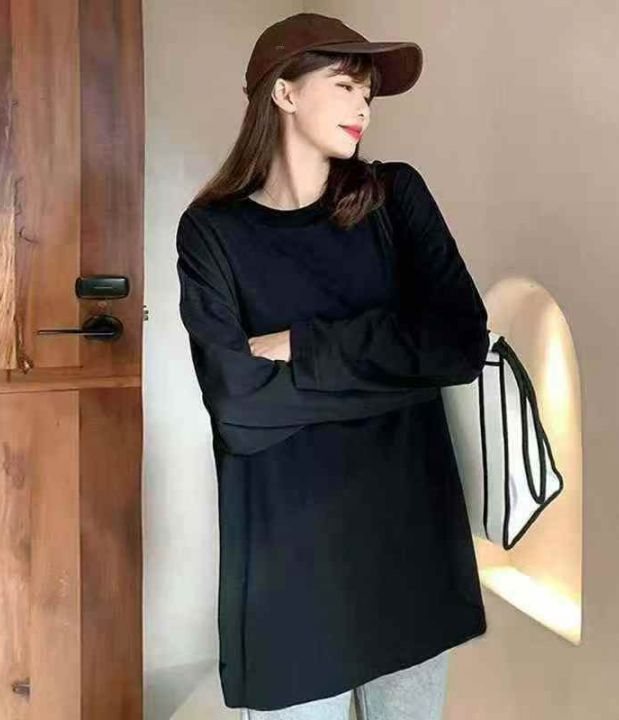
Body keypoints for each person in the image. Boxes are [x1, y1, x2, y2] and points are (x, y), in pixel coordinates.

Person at [175, 11, 490, 719]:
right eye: (346, 85)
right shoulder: (212, 232)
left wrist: (301, 346)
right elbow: (238, 409)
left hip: (409, 555)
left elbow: (460, 342)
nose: (363, 107)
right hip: (287, 574)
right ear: (284, 92)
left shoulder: (396, 198)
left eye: (368, 93)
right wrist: (398, 375)